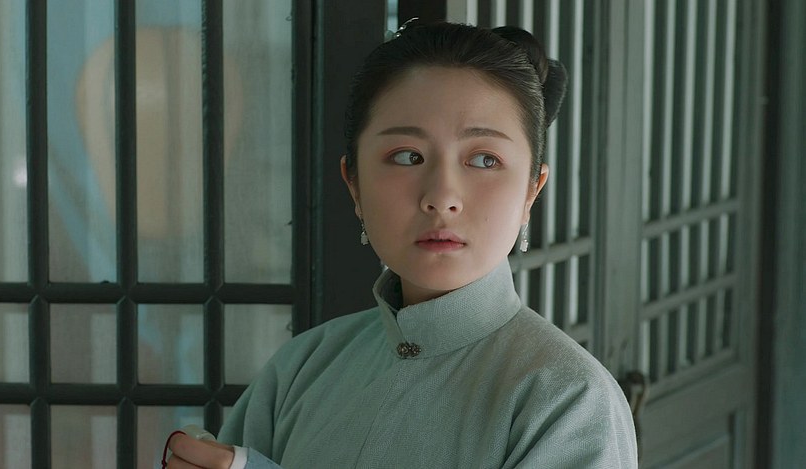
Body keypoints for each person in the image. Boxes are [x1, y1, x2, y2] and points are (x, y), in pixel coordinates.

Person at [164, 21, 638, 468]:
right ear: (354, 183)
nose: (442, 197)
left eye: (484, 160)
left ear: (531, 191)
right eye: (407, 156)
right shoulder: (303, 366)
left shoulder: (568, 398)